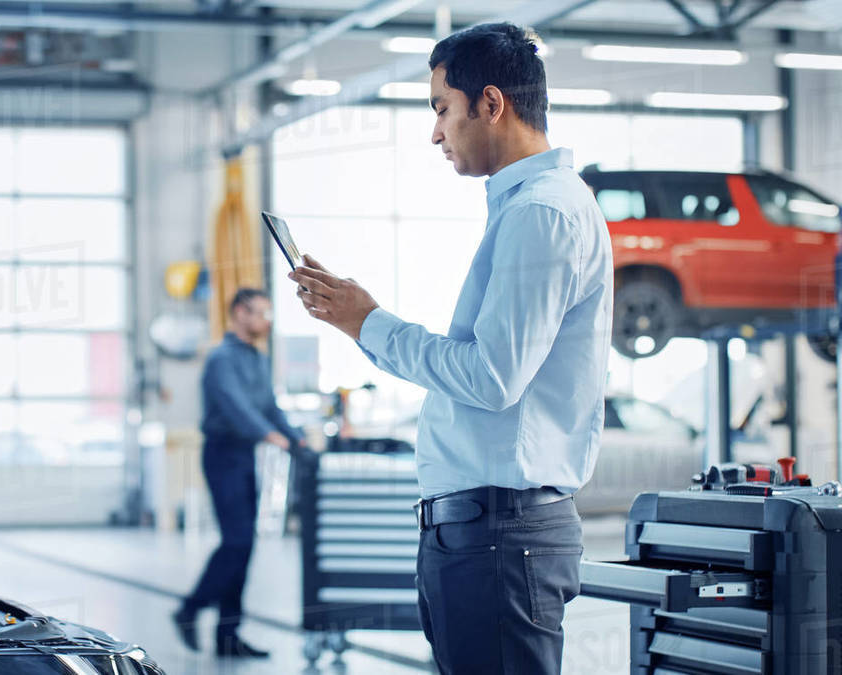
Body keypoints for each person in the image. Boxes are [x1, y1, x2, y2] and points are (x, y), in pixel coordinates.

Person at [288, 22, 612, 675]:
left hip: (500, 536)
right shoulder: (527, 208)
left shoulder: (541, 213)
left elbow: (491, 377)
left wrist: (368, 322)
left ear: (490, 103)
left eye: (441, 109)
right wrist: (362, 322)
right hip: (484, 532)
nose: (436, 133)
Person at [172, 288, 302, 659]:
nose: (267, 321)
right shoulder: (221, 359)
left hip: (245, 455)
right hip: (222, 454)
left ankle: (228, 636)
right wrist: (270, 435)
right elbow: (235, 406)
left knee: (244, 545)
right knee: (237, 541)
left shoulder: (258, 359)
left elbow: (269, 407)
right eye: (261, 313)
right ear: (240, 313)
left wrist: (296, 439)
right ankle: (191, 608)